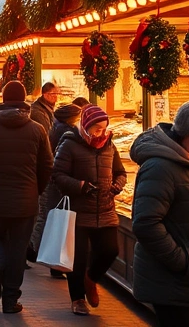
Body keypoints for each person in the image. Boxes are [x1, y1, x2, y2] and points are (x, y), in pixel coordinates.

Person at [130, 99, 189, 327]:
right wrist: (184, 264)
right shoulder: (161, 167)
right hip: (172, 280)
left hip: (186, 282)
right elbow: (146, 224)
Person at [0, 81, 52, 314]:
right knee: (18, 249)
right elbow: (47, 166)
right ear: (24, 101)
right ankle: (10, 300)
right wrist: (35, 188)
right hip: (25, 202)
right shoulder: (37, 129)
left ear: (3, 100)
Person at [51, 105, 126, 316]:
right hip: (79, 210)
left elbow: (120, 172)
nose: (100, 133)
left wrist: (117, 185)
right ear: (85, 126)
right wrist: (81, 186)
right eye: (96, 128)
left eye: (103, 128)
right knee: (79, 258)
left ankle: (91, 279)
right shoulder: (69, 144)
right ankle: (77, 299)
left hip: (106, 209)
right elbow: (57, 175)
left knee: (110, 250)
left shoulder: (110, 145)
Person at [30, 102, 84, 276]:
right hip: (57, 183)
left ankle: (35, 251)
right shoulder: (67, 133)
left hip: (51, 181)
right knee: (53, 219)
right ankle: (34, 251)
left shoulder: (55, 128)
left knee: (47, 217)